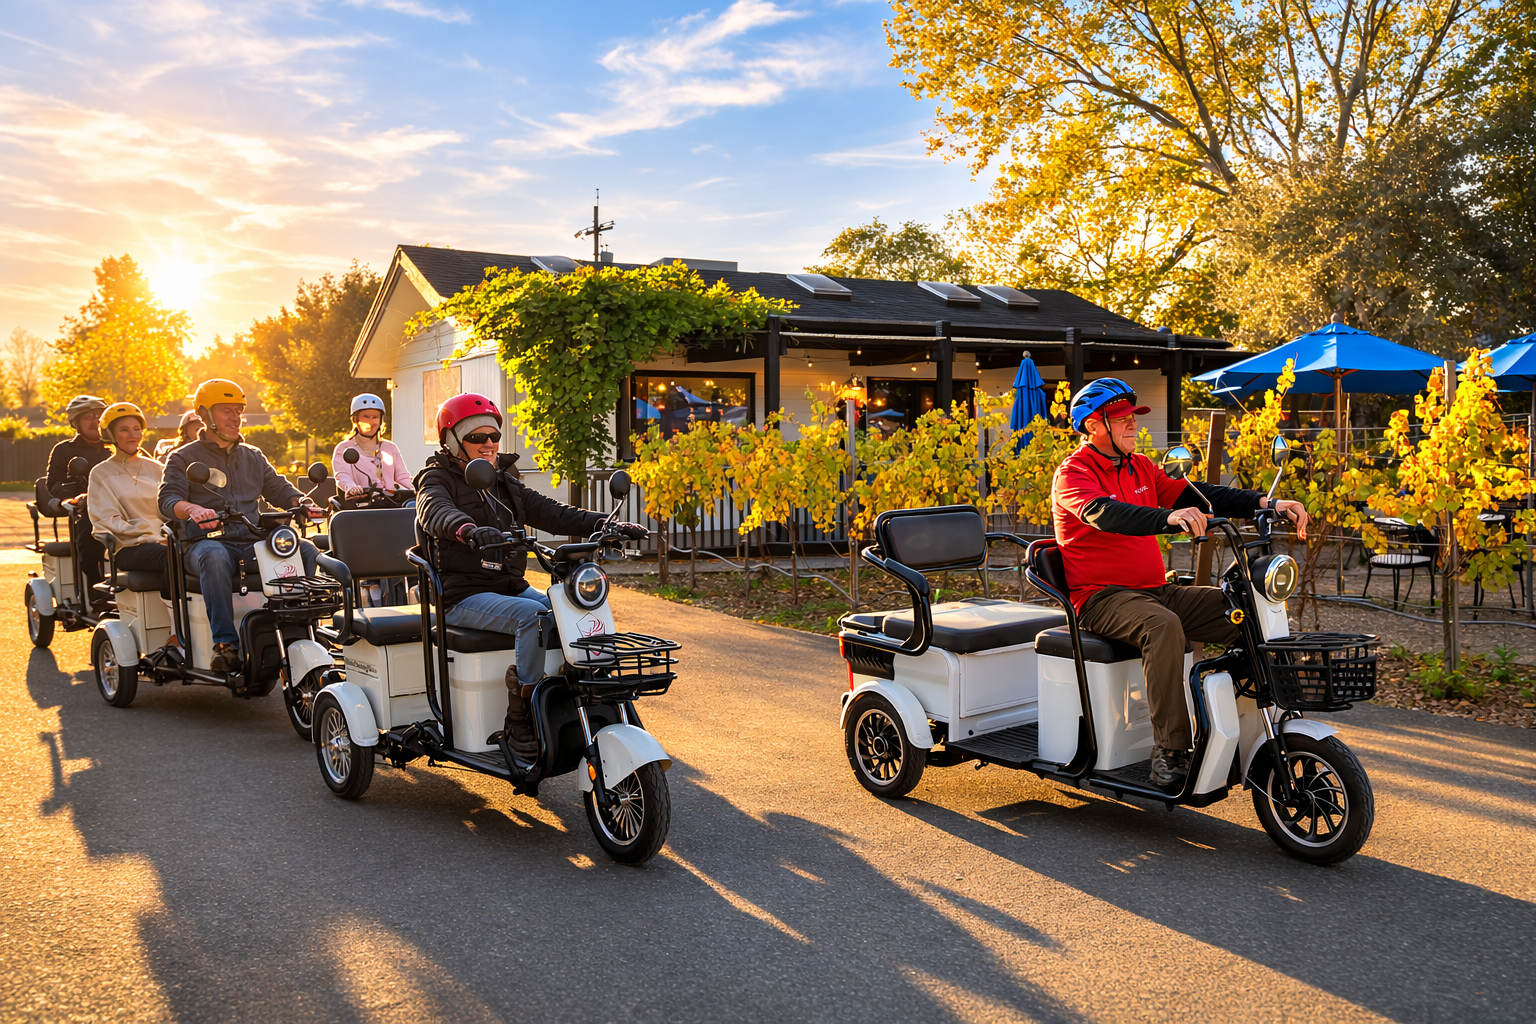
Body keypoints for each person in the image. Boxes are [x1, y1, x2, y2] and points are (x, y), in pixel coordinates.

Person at [1051, 378, 1311, 791]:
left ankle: (1260, 722)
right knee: (1162, 627)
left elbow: (1201, 495)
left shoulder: (1139, 466)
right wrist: (1165, 518)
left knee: (1244, 612)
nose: (1133, 425)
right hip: (1101, 598)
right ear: (1092, 426)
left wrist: (1268, 502)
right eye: (1120, 419)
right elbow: (1103, 513)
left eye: (1133, 417)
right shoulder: (1074, 473)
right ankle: (1169, 751)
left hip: (1156, 589)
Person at [415, 393, 648, 762]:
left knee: (575, 610)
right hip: (460, 596)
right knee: (534, 617)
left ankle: (590, 696)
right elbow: (434, 511)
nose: (489, 443)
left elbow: (554, 513)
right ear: (452, 440)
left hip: (510, 587)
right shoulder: (436, 479)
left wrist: (608, 524)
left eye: (494, 436)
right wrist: (467, 529)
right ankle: (519, 716)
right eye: (477, 437)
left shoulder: (504, 482)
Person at [158, 379, 323, 673]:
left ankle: (298, 629)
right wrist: (193, 508)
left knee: (306, 551)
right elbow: (167, 499)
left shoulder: (253, 456)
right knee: (215, 555)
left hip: (251, 543)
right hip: (204, 545)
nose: (235, 417)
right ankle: (225, 645)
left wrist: (303, 502)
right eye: (226, 411)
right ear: (204, 415)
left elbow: (279, 489)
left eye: (238, 410)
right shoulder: (183, 457)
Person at [88, 402, 177, 645]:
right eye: (124, 429)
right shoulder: (100, 473)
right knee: (173, 557)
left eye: (137, 429)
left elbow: (172, 509)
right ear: (110, 435)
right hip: (128, 548)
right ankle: (177, 632)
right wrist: (152, 534)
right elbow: (106, 521)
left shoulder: (158, 469)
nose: (133, 435)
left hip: (164, 542)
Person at [42, 394, 111, 605]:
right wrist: (74, 498)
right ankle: (97, 597)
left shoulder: (117, 447)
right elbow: (53, 483)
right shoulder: (64, 450)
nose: (95, 421)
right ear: (76, 422)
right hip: (88, 511)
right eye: (88, 417)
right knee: (89, 539)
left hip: (124, 507)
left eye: (99, 415)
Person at [332, 393, 411, 499]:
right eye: (366, 417)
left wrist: (416, 490)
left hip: (392, 505)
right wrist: (352, 488)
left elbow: (402, 476)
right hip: (361, 506)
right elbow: (343, 475)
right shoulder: (344, 449)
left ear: (380, 421)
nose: (370, 421)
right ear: (355, 420)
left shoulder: (390, 448)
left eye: (374, 417)